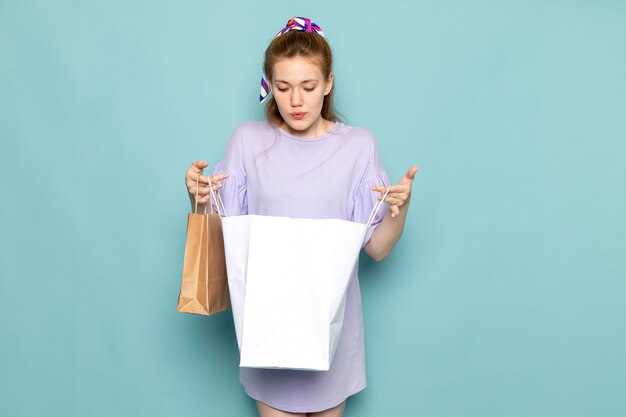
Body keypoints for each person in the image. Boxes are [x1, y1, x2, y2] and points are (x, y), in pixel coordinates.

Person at [184, 17, 417, 417]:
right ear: (269, 85)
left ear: (328, 83)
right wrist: (200, 199)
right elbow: (225, 239)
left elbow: (377, 249)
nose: (296, 101)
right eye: (283, 87)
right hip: (269, 332)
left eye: (308, 87)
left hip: (332, 336)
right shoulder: (248, 141)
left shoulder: (359, 147)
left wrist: (401, 207)